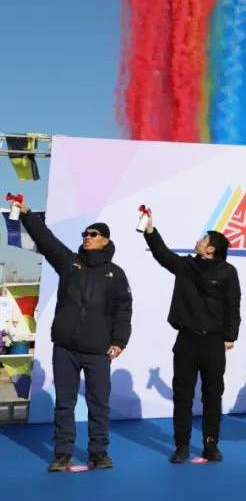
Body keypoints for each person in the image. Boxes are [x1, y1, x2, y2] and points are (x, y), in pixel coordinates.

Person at [10, 198, 132, 471]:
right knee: (64, 404)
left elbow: (124, 310)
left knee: (98, 405)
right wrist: (27, 214)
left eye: (93, 234)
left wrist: (119, 341)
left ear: (105, 240)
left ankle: (99, 453)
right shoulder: (69, 263)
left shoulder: (116, 274)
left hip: (98, 351)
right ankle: (62, 454)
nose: (87, 237)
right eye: (85, 234)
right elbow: (47, 241)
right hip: (65, 348)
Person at [143, 216, 241, 463]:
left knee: (213, 395)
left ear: (211, 249)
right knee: (183, 396)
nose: (198, 241)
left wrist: (230, 336)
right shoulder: (186, 266)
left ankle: (211, 444)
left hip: (214, 342)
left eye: (203, 240)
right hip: (186, 339)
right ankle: (182, 446)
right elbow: (163, 254)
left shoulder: (228, 272)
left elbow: (233, 305)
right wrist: (150, 230)